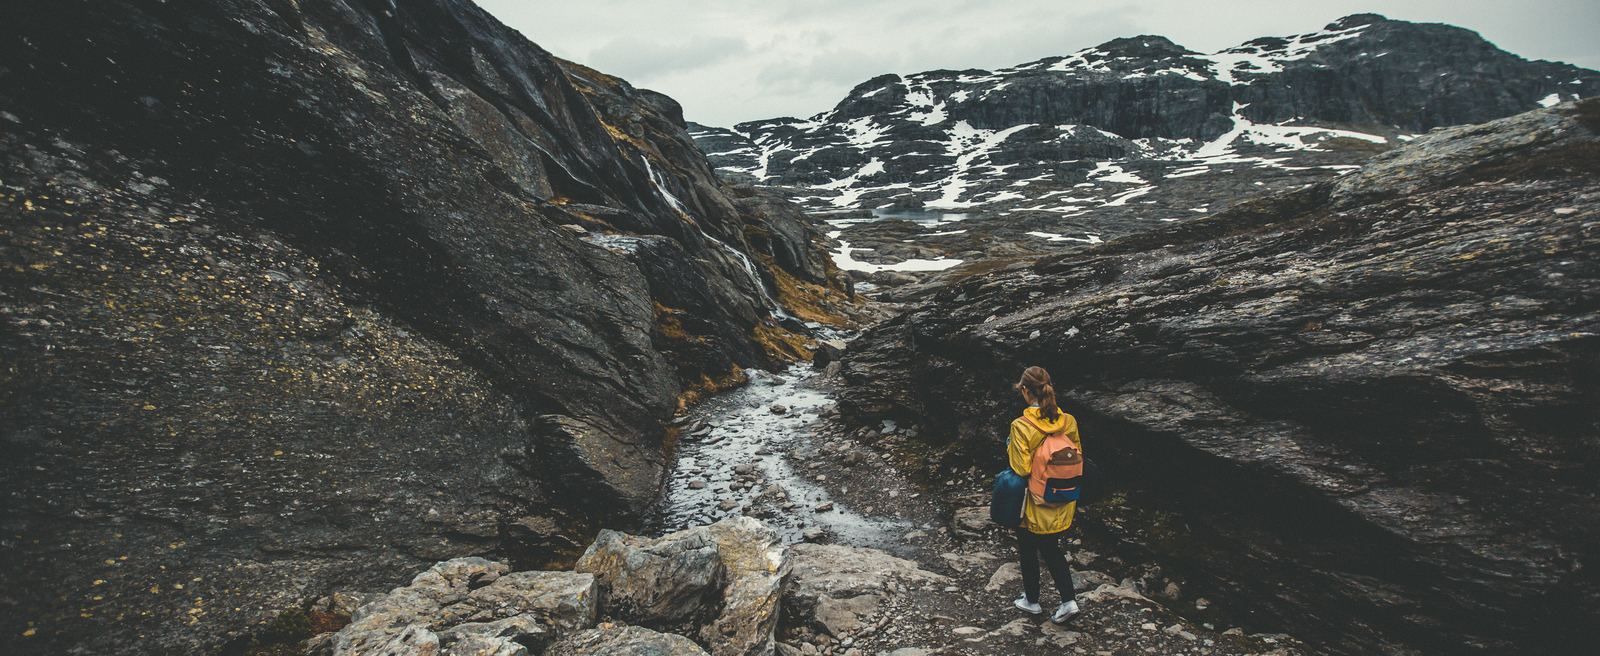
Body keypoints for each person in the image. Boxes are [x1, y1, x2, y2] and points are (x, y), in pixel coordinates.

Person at [1006, 365, 1082, 624]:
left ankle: (1032, 600)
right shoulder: (1067, 421)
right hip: (1063, 497)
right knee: (1051, 547)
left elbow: (1021, 468)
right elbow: (1078, 454)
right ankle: (1068, 601)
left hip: (1035, 502)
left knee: (1027, 547)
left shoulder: (1021, 425)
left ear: (1025, 391)